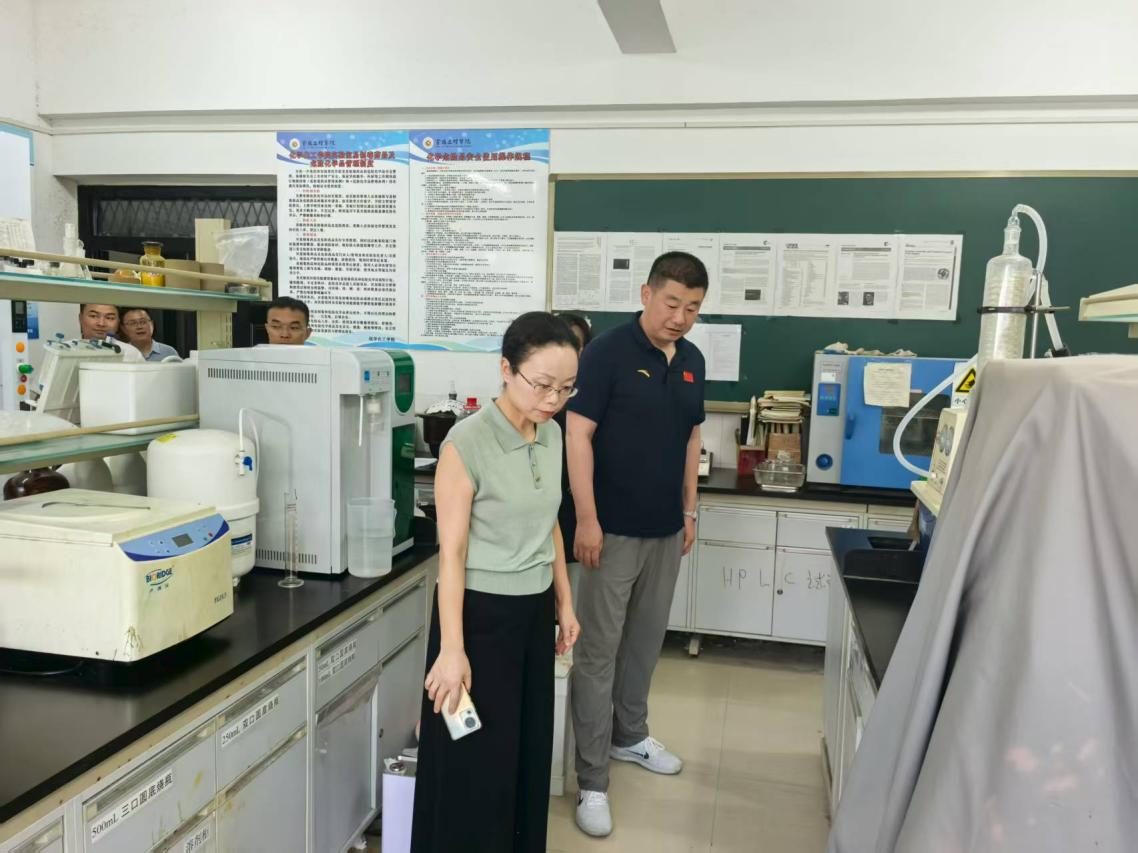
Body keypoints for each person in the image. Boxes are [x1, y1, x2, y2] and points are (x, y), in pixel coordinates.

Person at [412, 312, 582, 853]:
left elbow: (550, 521)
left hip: (532, 617)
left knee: (527, 751)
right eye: (542, 385)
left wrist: (564, 602)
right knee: (475, 760)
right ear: (506, 369)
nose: (553, 399)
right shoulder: (466, 444)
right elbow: (453, 553)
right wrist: (452, 650)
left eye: (566, 388)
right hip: (478, 622)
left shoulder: (551, 433)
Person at [566, 252, 708, 838]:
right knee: (598, 653)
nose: (680, 317)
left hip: (665, 529)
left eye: (693, 308)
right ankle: (591, 779)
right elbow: (578, 434)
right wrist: (587, 518)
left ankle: (629, 736)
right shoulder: (605, 354)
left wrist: (690, 509)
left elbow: (692, 436)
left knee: (645, 643)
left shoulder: (693, 359)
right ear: (647, 294)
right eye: (672, 303)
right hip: (611, 530)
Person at [553, 312, 593, 601]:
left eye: (576, 345)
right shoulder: (532, 398)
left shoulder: (591, 395)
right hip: (540, 514)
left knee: (574, 598)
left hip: (575, 511)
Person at [78, 303, 144, 362]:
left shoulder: (131, 354)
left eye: (109, 318)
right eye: (93, 316)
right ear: (80, 318)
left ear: (118, 322)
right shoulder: (71, 349)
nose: (101, 323)